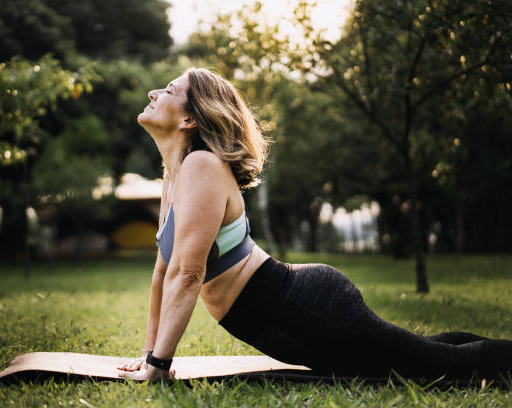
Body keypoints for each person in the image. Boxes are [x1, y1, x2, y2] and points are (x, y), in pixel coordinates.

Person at [117, 67, 512, 382]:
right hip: (280, 315)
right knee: (418, 353)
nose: (153, 93)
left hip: (298, 304)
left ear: (189, 118)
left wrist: (160, 362)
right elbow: (162, 273)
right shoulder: (174, 177)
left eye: (168, 90)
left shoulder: (201, 165)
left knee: (433, 364)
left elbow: (189, 273)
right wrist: (148, 356)